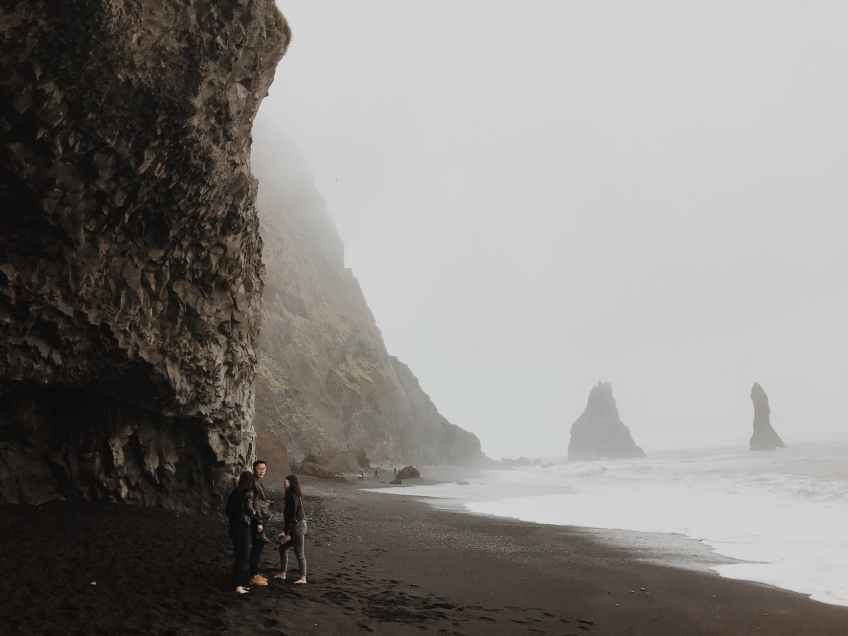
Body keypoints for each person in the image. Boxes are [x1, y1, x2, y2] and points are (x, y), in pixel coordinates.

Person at [226, 471, 259, 594]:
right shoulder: (246, 494)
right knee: (244, 556)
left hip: (233, 528)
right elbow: (250, 511)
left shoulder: (234, 493)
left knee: (238, 555)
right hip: (243, 528)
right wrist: (254, 513)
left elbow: (228, 511)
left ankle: (236, 583)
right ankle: (238, 586)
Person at [274, 474, 307, 584]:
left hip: (297, 527)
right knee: (282, 548)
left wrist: (287, 533)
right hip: (295, 526)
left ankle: (303, 578)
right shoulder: (290, 494)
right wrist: (285, 531)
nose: (284, 483)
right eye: (284, 481)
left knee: (299, 553)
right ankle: (283, 573)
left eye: (286, 481)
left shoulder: (292, 496)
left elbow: (292, 517)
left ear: (291, 483)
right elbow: (288, 517)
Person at [249, 460, 271, 587]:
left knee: (258, 547)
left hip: (259, 519)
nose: (262, 471)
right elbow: (253, 504)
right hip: (256, 521)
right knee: (257, 547)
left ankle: (254, 573)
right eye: (259, 468)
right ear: (254, 469)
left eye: (264, 468)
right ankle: (253, 575)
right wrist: (258, 522)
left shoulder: (257, 482)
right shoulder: (253, 483)